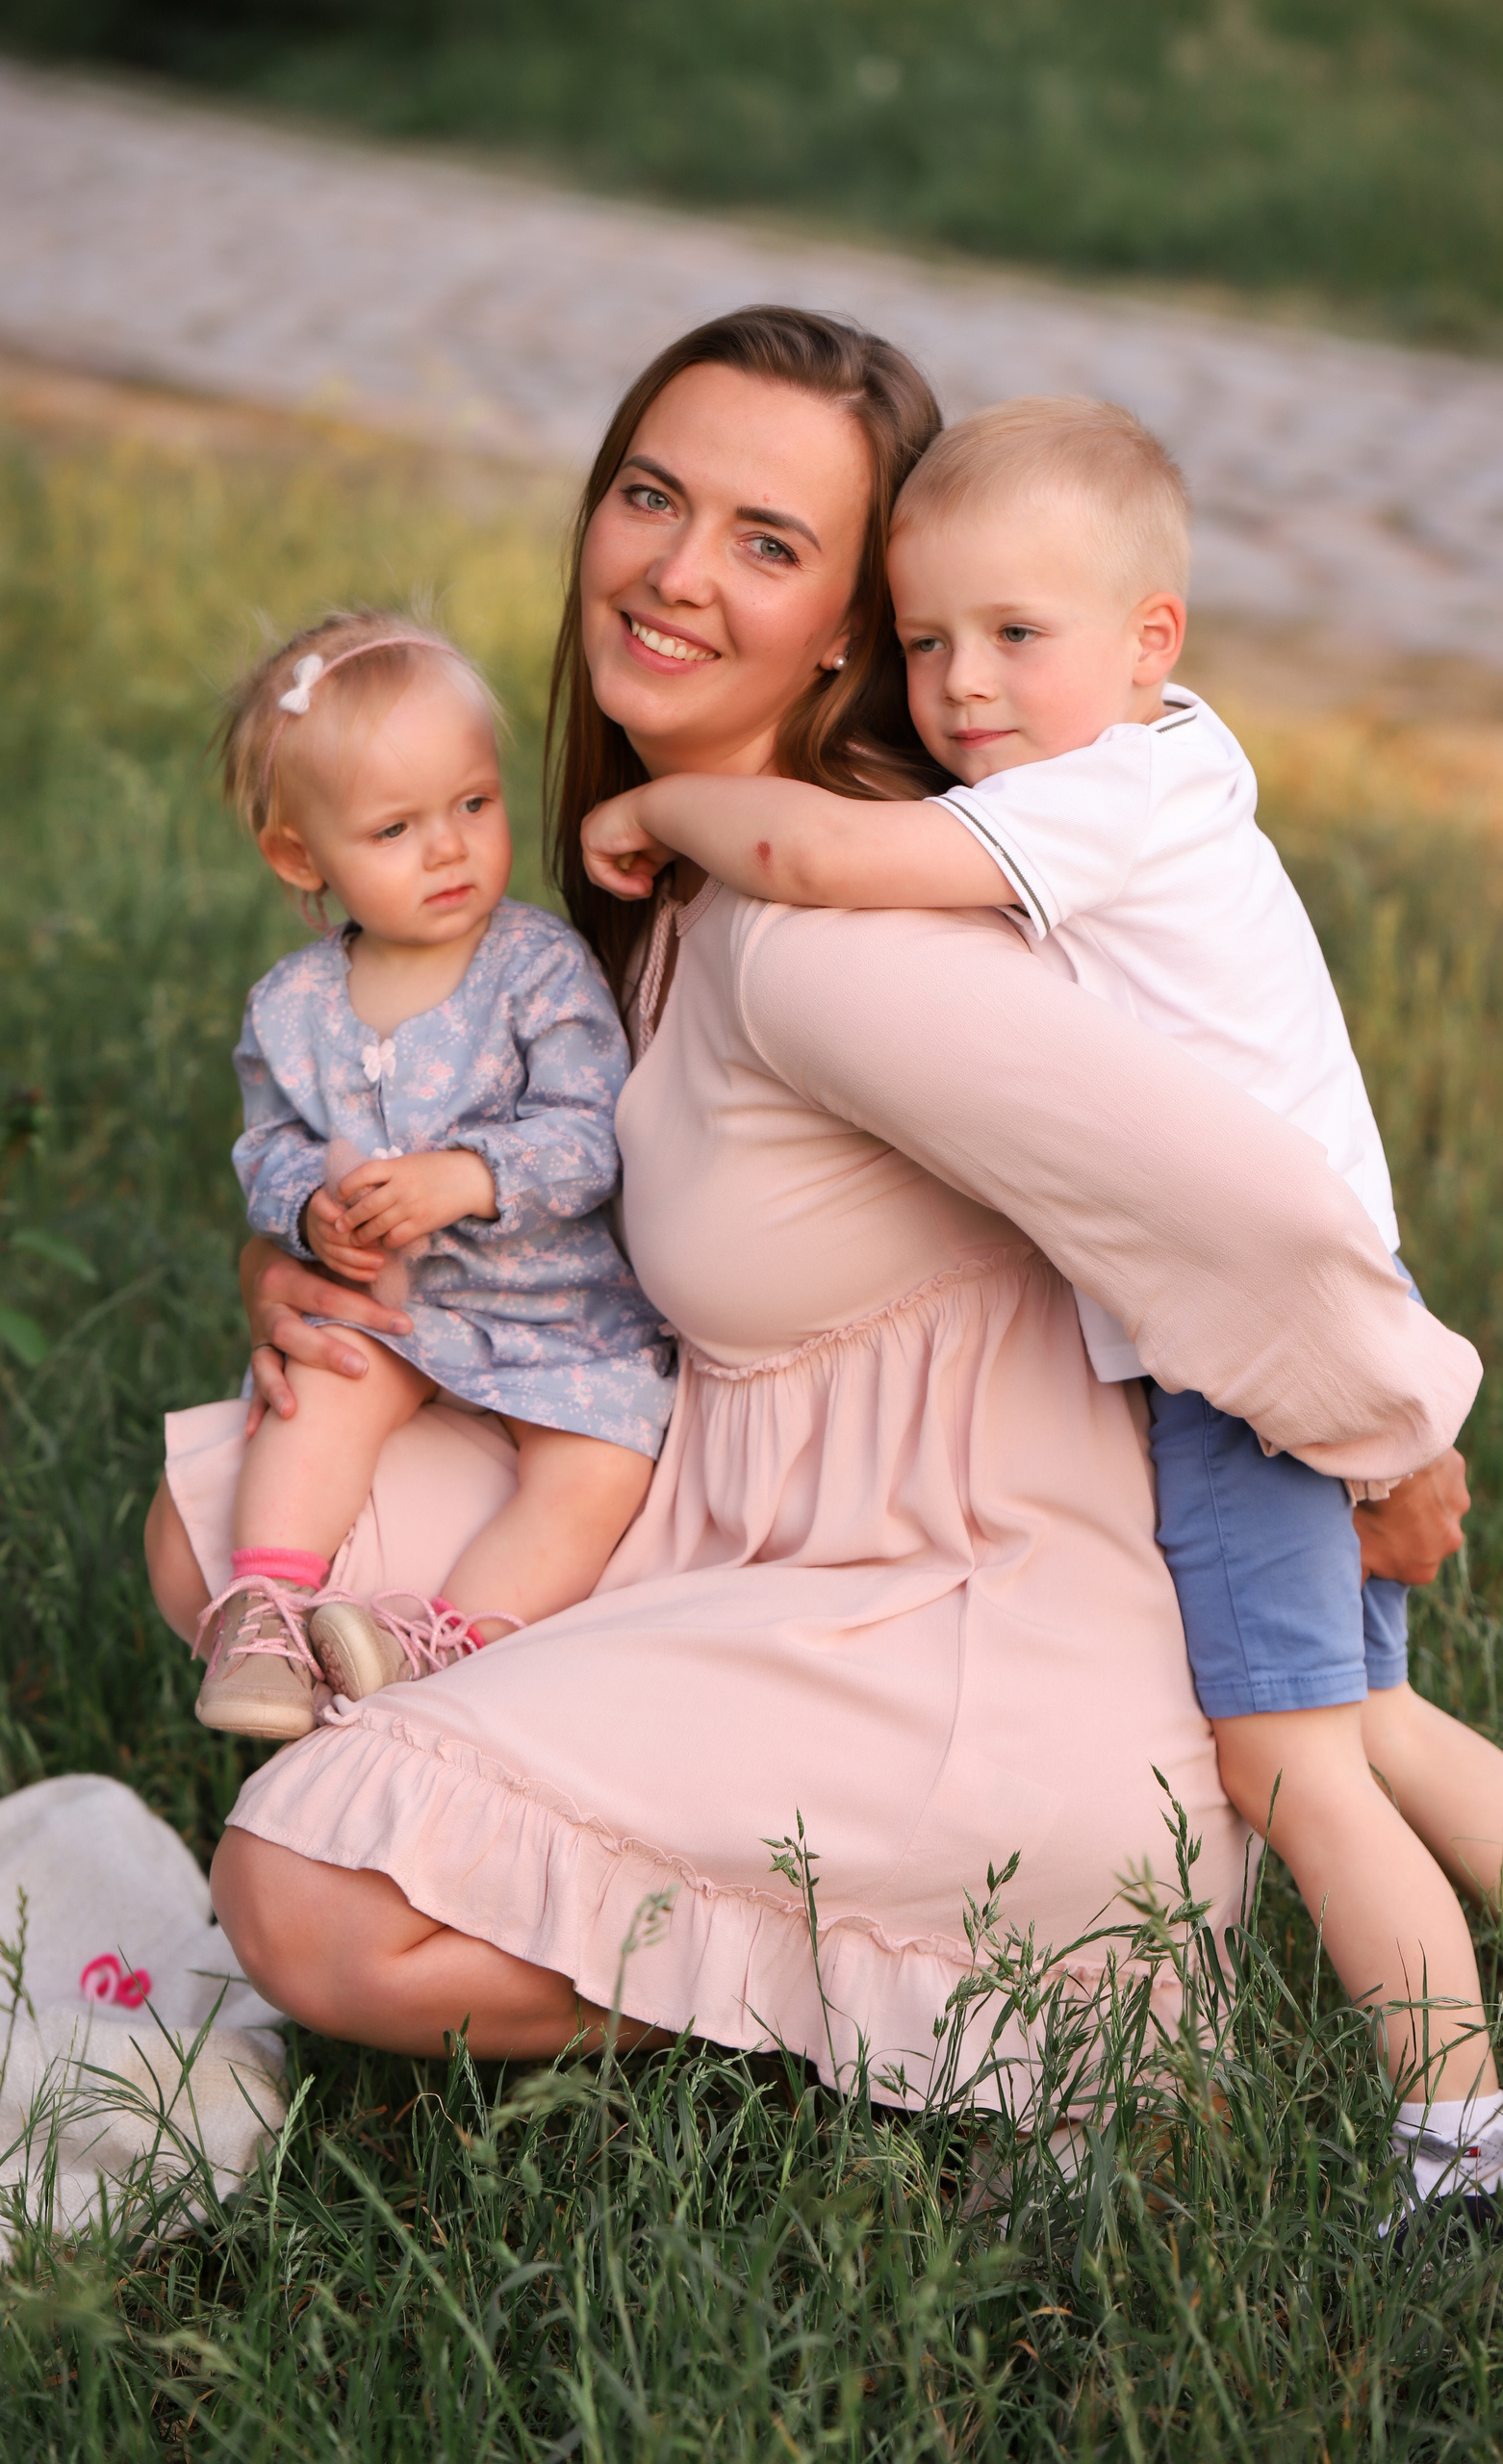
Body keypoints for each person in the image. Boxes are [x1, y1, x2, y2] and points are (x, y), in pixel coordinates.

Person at [144, 312, 1488, 2181]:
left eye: (765, 544)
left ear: (853, 626)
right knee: (236, 1538)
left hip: (979, 1618)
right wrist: (309, 1271)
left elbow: (1226, 1191)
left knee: (309, 1898)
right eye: (647, 495)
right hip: (765, 1511)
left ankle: (1032, 1985)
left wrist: (1384, 1429)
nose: (676, 570)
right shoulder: (685, 884)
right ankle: (779, 1909)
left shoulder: (832, 934)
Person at [573, 394, 1503, 2183]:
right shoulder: (1166, 767)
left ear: (1150, 641)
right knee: (1370, 1717)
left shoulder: (1101, 797)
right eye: (925, 642)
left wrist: (671, 803)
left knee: (1285, 1764)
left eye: (1016, 634)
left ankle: (1456, 2132)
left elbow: (835, 861)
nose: (964, 688)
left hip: (1252, 1350)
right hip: (1269, 1320)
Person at [192, 612, 674, 1741]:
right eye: (396, 827)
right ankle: (265, 1610)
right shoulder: (294, 1005)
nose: (450, 848)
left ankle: (440, 1640)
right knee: (317, 1389)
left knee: (601, 1465)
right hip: (399, 1312)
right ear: (301, 858)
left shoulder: (535, 966)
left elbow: (598, 1130)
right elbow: (265, 1144)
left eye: (472, 803)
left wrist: (470, 1173)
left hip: (560, 1320)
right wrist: (309, 1208)